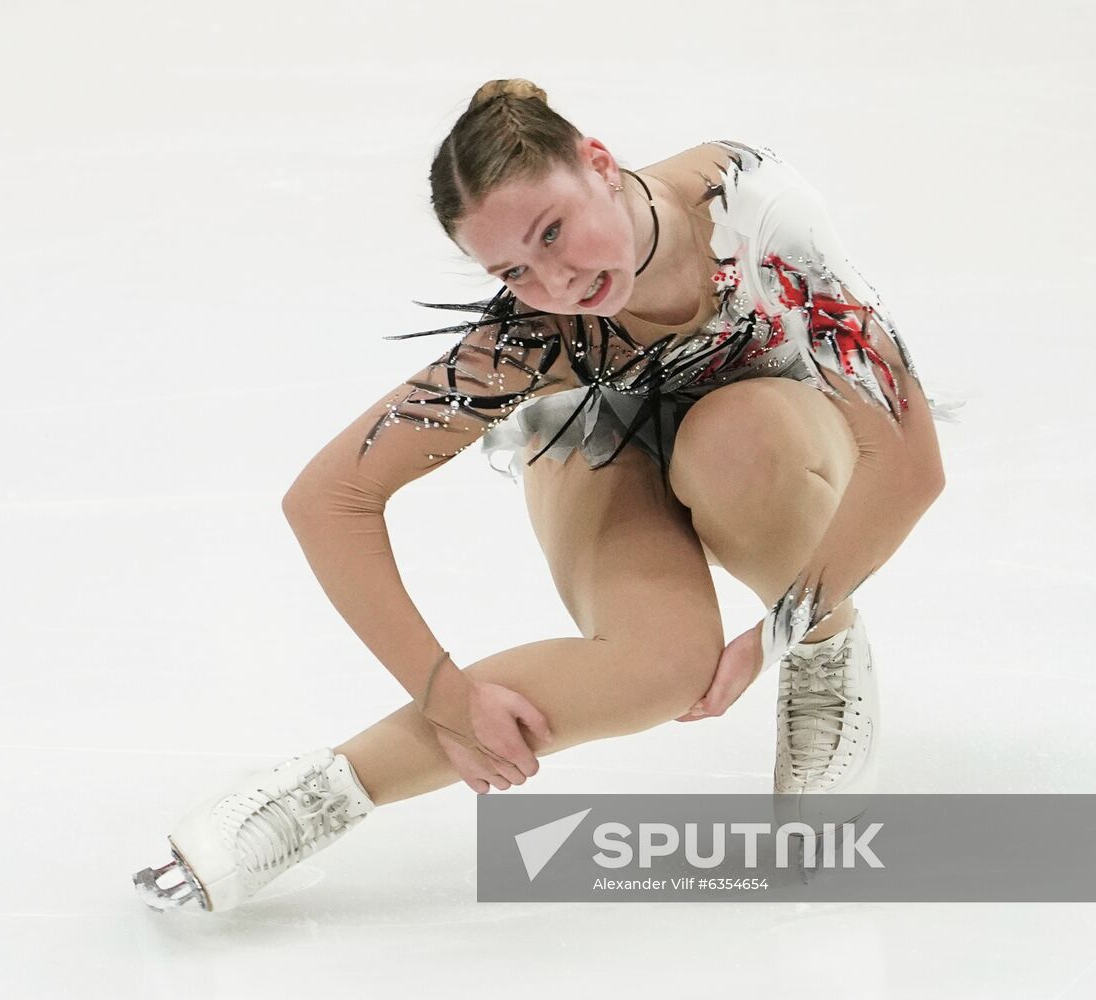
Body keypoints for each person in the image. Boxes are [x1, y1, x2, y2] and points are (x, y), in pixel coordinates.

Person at [133, 78, 959, 913]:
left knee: (732, 442)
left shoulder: (751, 210)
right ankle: (312, 799)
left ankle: (824, 648)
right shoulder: (529, 341)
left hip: (772, 431)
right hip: (600, 441)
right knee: (658, 672)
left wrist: (774, 635)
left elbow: (908, 463)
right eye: (515, 268)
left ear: (599, 162)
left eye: (554, 231)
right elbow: (330, 498)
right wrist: (445, 696)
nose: (559, 280)